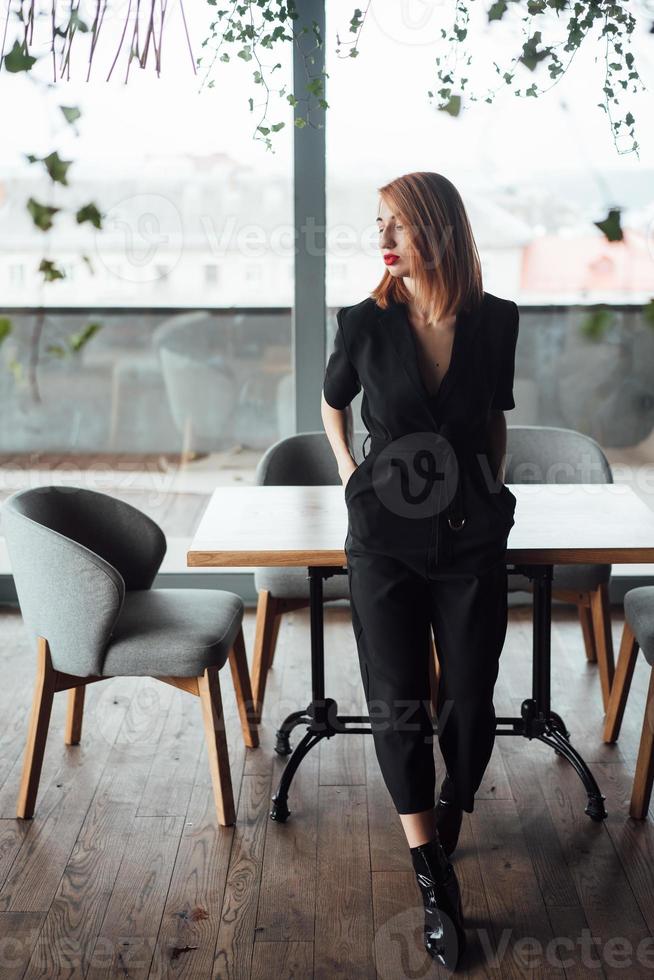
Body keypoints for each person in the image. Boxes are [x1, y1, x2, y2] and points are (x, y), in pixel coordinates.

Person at [320, 171, 519, 972]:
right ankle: (431, 873)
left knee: (469, 692)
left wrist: (495, 487)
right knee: (397, 698)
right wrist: (346, 475)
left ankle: (451, 801)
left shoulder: (496, 321)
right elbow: (332, 402)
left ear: (438, 229)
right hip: (384, 539)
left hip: (471, 533)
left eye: (398, 225)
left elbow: (494, 419)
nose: (385, 240)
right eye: (380, 226)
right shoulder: (363, 324)